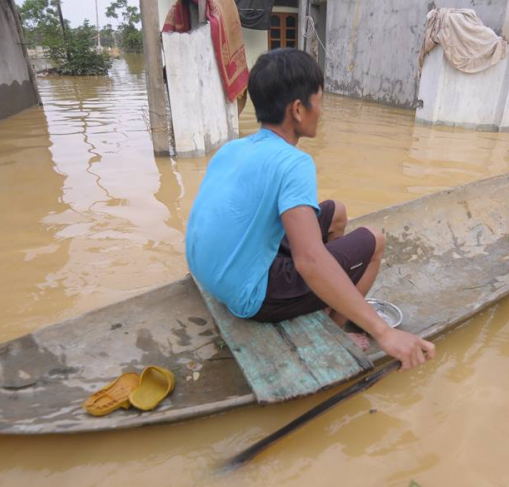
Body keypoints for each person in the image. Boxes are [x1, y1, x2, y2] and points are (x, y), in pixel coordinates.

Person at [186, 49, 435, 371]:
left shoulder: (232, 148)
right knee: (374, 240)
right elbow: (310, 260)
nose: (322, 110)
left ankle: (323, 300)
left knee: (337, 212)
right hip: (249, 297)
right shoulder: (294, 163)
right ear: (299, 109)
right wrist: (383, 331)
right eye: (320, 100)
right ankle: (334, 329)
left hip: (211, 276)